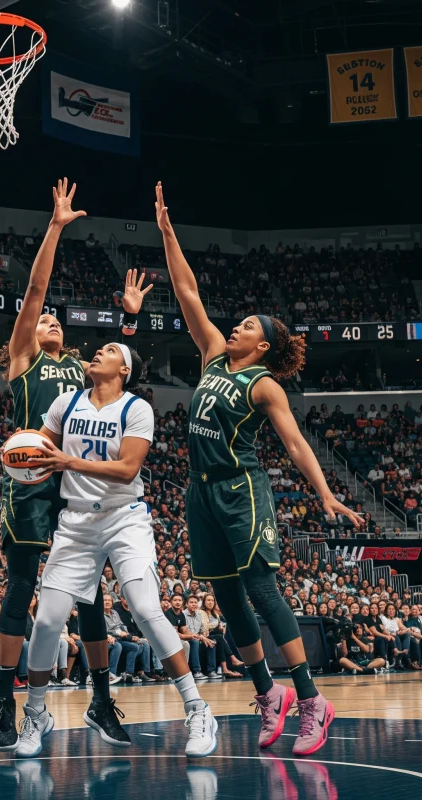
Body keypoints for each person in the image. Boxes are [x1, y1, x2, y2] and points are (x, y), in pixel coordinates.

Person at [154, 182, 363, 757]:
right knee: (226, 598)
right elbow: (187, 292)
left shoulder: (264, 384)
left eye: (248, 325)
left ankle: (312, 700)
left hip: (242, 489)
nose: (237, 327)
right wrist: (168, 234)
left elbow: (294, 443)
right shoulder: (212, 355)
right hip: (200, 492)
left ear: (264, 345)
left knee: (262, 590)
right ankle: (269, 693)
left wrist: (324, 493)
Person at [0, 179, 152, 751]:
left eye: (56, 321)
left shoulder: (83, 372)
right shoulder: (25, 361)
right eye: (43, 321)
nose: (51, 321)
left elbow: (124, 370)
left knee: (91, 601)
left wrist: (129, 324)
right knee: (20, 590)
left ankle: (101, 700)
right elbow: (36, 290)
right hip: (33, 486)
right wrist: (55, 228)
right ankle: (6, 698)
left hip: (79, 490)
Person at [14, 341, 218, 759]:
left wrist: (69, 463)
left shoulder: (136, 408)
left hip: (125, 517)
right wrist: (20, 455)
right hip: (76, 522)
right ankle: (36, 713)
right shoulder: (66, 404)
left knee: (145, 609)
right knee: (47, 621)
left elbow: (127, 469)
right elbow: (38, 451)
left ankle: (198, 709)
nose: (97, 352)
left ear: (125, 369)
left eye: (109, 350)